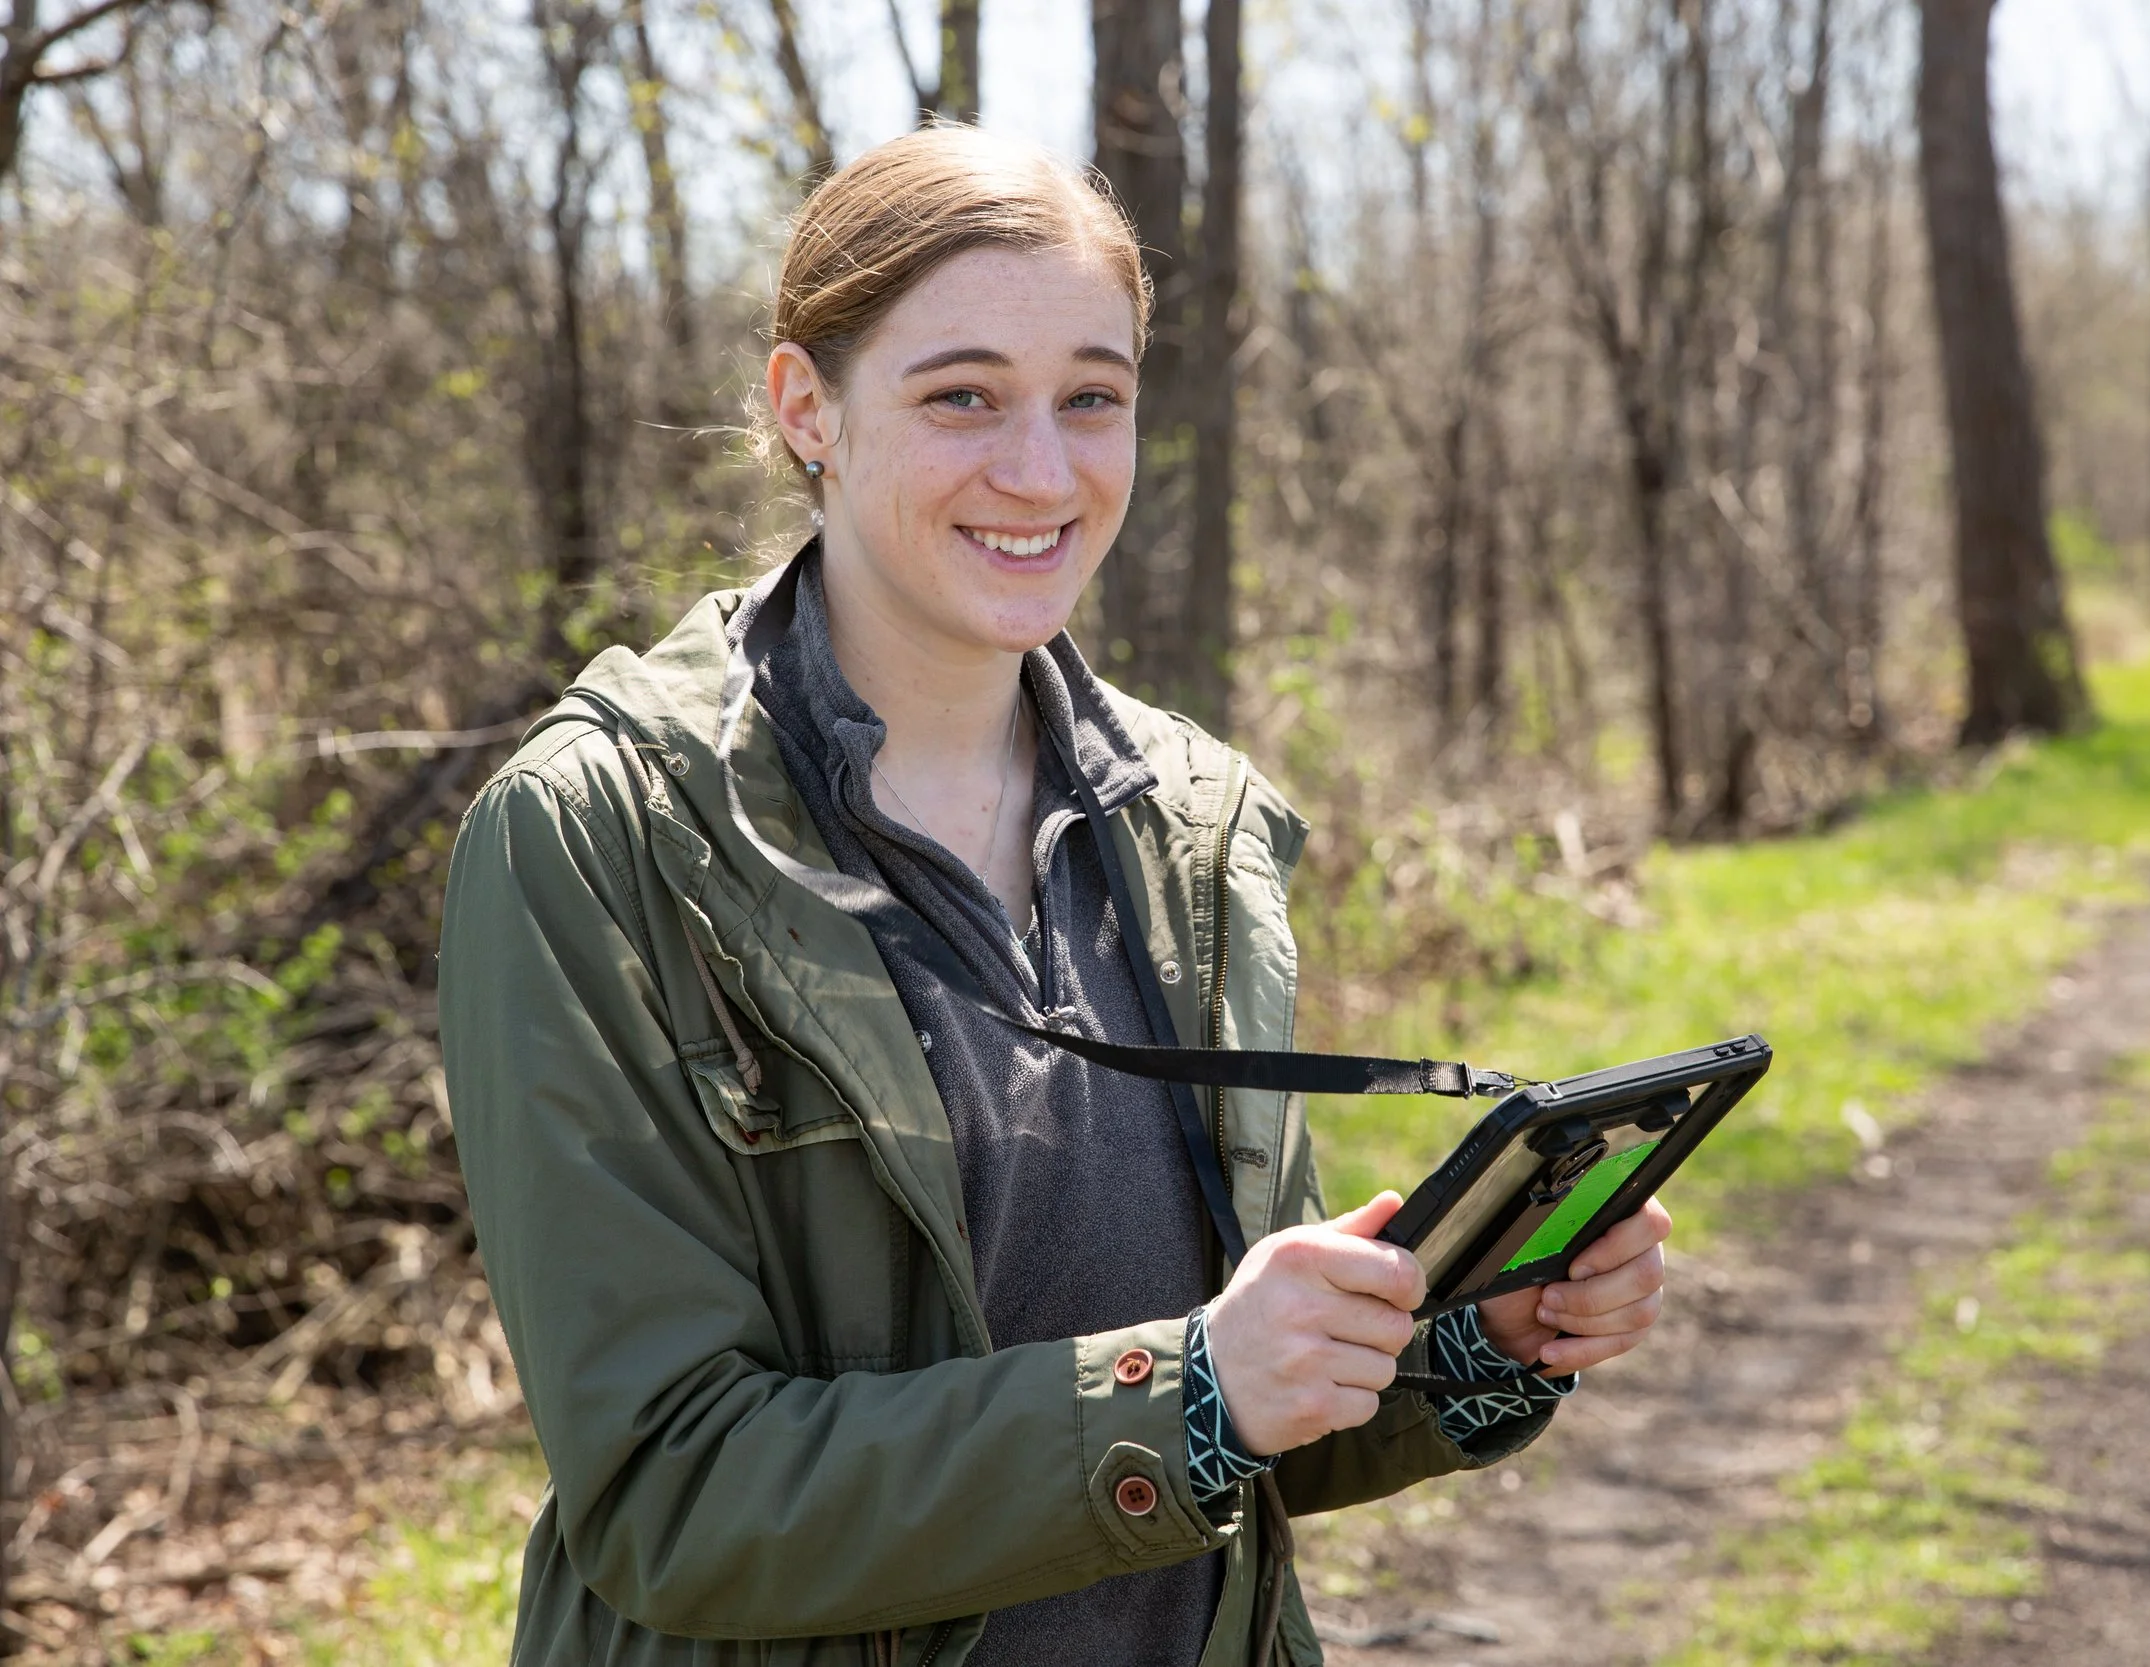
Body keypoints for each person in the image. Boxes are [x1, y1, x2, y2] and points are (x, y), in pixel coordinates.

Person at [438, 126, 1673, 1667]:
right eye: (963, 395)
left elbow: (1238, 1419)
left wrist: (1466, 1344)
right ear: (805, 408)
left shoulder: (1193, 823)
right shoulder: (599, 839)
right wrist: (1195, 1386)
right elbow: (671, 1492)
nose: (1042, 471)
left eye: (1092, 397)